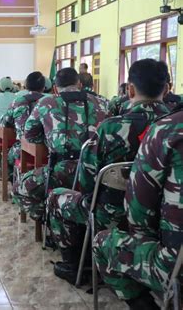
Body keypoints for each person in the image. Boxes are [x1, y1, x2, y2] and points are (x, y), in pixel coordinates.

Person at [48, 59, 171, 285]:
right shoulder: (175, 126)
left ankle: (73, 265)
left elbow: (86, 181)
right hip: (164, 219)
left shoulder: (112, 127)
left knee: (57, 197)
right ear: (167, 89)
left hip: (112, 212)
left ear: (130, 89)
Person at [93, 103, 183, 310]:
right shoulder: (99, 105)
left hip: (175, 265)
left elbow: (137, 209)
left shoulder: (166, 129)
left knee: (103, 242)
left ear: (131, 90)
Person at [14, 67, 106, 222]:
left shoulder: (47, 102)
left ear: (55, 87)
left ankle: (50, 218)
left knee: (20, 187)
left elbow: (29, 134)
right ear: (79, 84)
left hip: (63, 170)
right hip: (98, 172)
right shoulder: (102, 102)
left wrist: (50, 138)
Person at [2, 72, 46, 188]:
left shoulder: (17, 101)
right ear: (44, 87)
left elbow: (6, 122)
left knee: (7, 157)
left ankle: (16, 186)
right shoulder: (51, 101)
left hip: (22, 148)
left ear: (26, 86)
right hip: (48, 149)